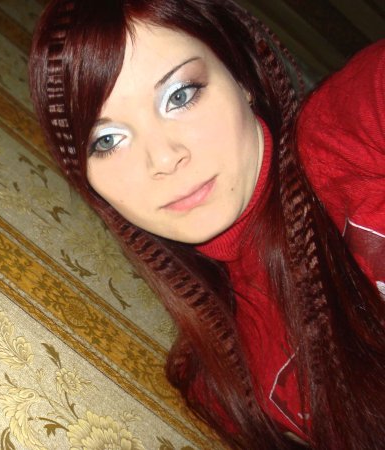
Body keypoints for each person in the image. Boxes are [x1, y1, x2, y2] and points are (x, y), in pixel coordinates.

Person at [28, 1, 385, 449]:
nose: (163, 158)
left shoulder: (355, 124)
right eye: (107, 140)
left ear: (240, 77)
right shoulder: (219, 377)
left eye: (179, 96)